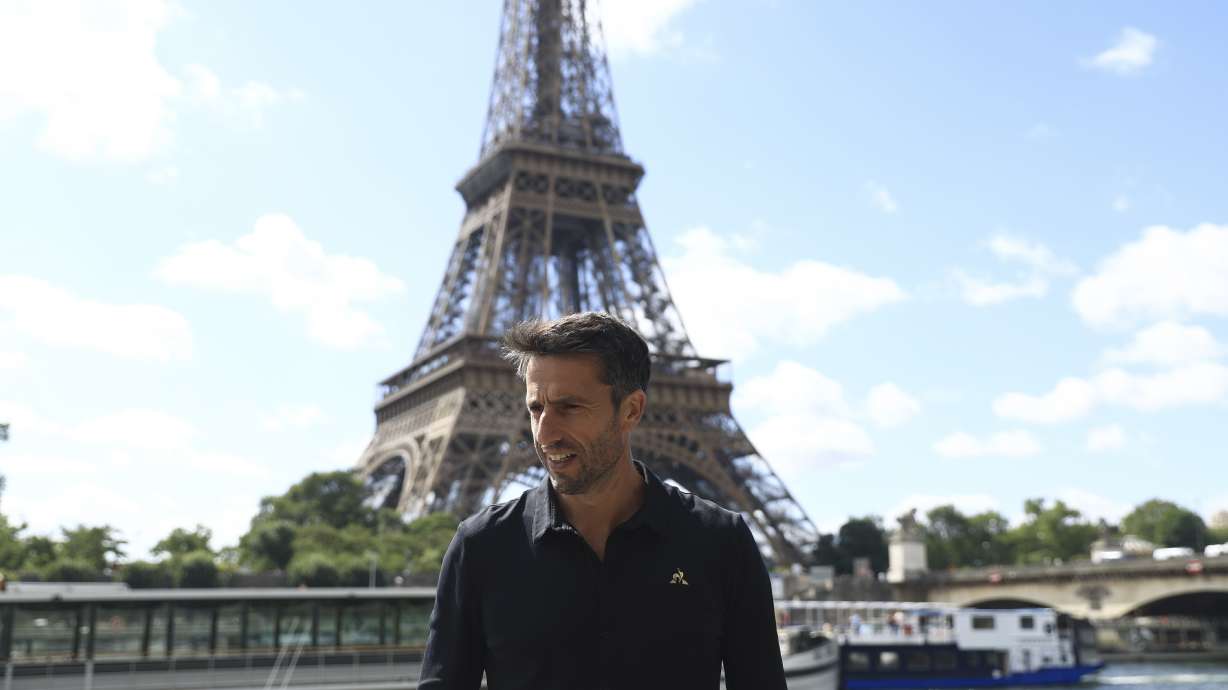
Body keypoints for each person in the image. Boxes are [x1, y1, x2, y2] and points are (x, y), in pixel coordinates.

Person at [418, 312, 786, 689]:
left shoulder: (722, 543)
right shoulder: (480, 547)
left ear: (631, 410)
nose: (545, 432)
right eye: (536, 408)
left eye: (569, 407)